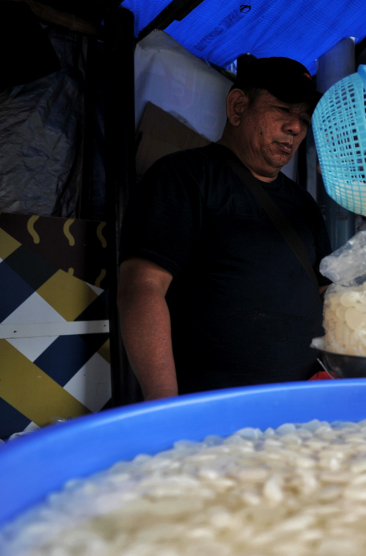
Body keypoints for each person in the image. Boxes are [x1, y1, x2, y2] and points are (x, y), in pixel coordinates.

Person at [118, 57, 331, 401]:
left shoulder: (303, 204)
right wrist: (163, 404)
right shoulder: (184, 176)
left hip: (303, 404)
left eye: (304, 119)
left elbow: (326, 294)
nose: (295, 128)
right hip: (211, 408)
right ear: (238, 106)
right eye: (282, 110)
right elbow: (142, 287)